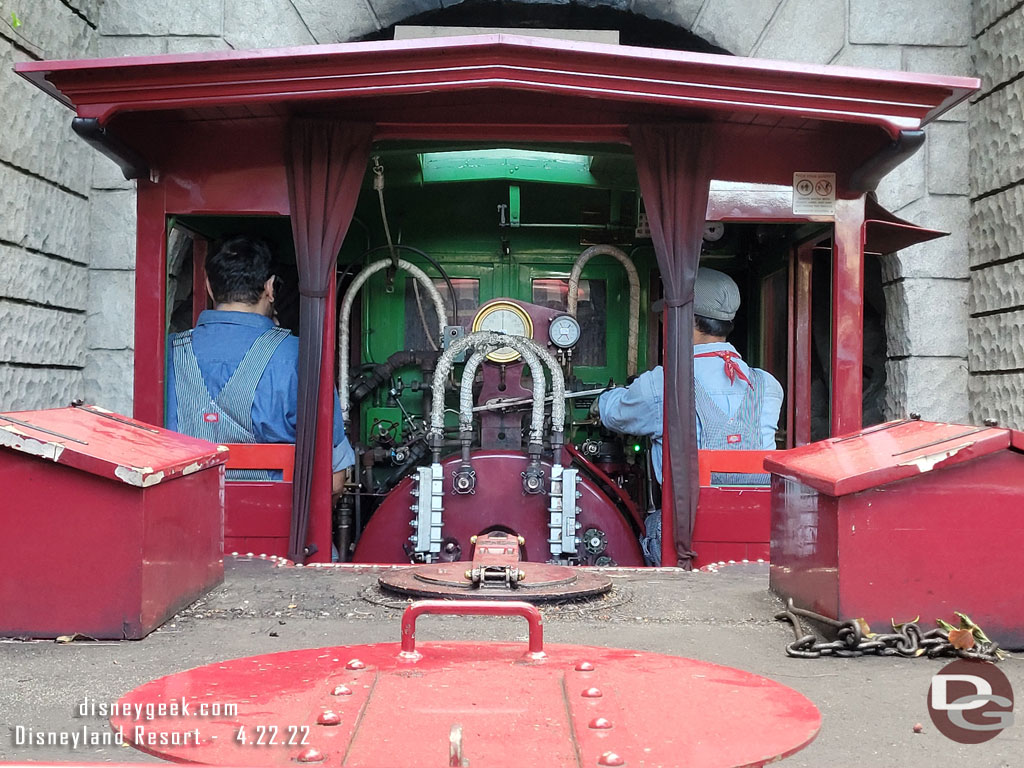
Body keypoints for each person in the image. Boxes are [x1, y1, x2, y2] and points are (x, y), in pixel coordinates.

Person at [593, 266, 784, 563]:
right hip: (757, 547)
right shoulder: (768, 386)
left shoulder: (663, 383)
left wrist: (604, 399)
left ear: (690, 321)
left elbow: (613, 413)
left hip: (686, 545)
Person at [166, 236, 354, 490]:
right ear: (270, 288)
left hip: (180, 521)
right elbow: (333, 480)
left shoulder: (167, 352)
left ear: (209, 286)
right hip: (273, 526)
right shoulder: (297, 355)